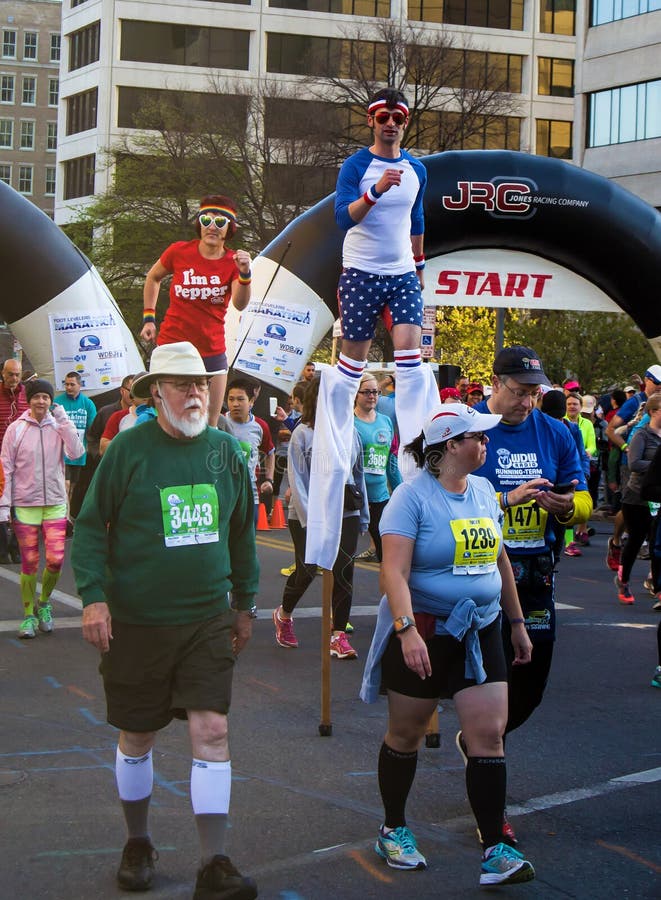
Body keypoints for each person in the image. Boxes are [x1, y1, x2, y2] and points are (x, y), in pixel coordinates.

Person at [71, 341, 259, 899]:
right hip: (138, 622)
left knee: (213, 729)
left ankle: (214, 862)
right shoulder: (128, 450)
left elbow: (243, 535)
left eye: (201, 383)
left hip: (206, 618)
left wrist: (245, 605)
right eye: (182, 384)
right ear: (158, 393)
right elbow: (89, 527)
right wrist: (93, 596)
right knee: (138, 735)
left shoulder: (227, 452)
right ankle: (138, 840)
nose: (195, 393)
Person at [360, 404, 534, 887]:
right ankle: (393, 826)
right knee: (406, 734)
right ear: (450, 445)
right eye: (477, 437)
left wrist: (516, 621)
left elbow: (499, 560)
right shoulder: (409, 499)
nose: (486, 443)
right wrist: (405, 628)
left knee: (489, 735)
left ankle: (496, 848)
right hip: (426, 632)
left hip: (483, 629)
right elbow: (392, 571)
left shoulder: (482, 491)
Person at [307, 88, 437, 570]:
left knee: (411, 358)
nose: (390, 125)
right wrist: (376, 190)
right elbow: (343, 218)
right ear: (371, 122)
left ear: (405, 124)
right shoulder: (355, 166)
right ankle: (339, 447)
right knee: (351, 365)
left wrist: (420, 266)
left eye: (398, 119)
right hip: (360, 273)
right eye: (383, 118)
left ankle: (420, 449)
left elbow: (418, 218)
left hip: (402, 272)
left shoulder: (418, 170)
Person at [472, 346, 591, 842]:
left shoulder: (556, 430)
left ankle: (483, 741)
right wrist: (506, 499)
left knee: (530, 687)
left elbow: (582, 496)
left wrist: (567, 506)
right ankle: (490, 802)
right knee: (492, 695)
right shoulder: (469, 427)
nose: (527, 401)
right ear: (495, 383)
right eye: (519, 392)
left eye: (533, 392)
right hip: (479, 576)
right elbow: (447, 494)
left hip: (537, 575)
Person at [272, 376, 368, 657]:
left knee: (343, 569)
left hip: (345, 510)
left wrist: (363, 515)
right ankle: (284, 614)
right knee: (308, 569)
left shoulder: (350, 432)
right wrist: (312, 521)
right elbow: (297, 480)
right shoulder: (303, 433)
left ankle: (338, 635)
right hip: (308, 514)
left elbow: (357, 475)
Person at [140, 194, 253, 427]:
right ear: (199, 224)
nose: (212, 227)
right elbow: (153, 277)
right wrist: (149, 318)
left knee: (209, 422)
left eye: (220, 222)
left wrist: (245, 273)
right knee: (168, 418)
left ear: (229, 229)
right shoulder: (179, 251)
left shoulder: (233, 261)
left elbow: (240, 304)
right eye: (206, 220)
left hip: (210, 349)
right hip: (173, 344)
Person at [0, 378, 84, 638]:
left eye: (46, 397)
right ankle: (28, 616)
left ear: (51, 401)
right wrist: (4, 507)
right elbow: (6, 469)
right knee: (30, 562)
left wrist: (64, 421)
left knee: (56, 560)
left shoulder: (59, 426)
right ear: (30, 399)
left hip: (56, 503)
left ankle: (44, 603)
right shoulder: (16, 429)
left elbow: (76, 452)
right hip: (26, 505)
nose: (41, 401)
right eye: (36, 396)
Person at [605, 365, 661, 572]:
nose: (659, 387)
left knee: (651, 507)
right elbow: (611, 429)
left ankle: (648, 544)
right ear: (646, 380)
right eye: (656, 382)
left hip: (654, 459)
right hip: (632, 460)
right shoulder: (634, 403)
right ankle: (617, 540)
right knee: (631, 505)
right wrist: (627, 447)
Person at [613, 393, 661, 604]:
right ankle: (623, 580)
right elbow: (633, 463)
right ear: (652, 412)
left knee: (656, 542)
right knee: (635, 540)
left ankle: (657, 585)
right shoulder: (642, 434)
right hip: (636, 495)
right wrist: (658, 466)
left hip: (658, 495)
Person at [353, 372, 401, 562]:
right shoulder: (349, 422)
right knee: (345, 554)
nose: (372, 396)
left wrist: (400, 491)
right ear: (356, 394)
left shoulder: (385, 421)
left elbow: (391, 460)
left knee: (387, 555)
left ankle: (386, 592)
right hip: (354, 497)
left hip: (380, 496)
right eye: (367, 392)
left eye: (376, 392)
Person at [225, 376, 275, 522]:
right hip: (224, 495)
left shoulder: (260, 426)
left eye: (240, 399)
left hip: (250, 496)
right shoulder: (218, 422)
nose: (235, 404)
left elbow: (270, 453)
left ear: (252, 402)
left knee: (247, 543)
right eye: (231, 399)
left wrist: (269, 480)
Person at [54, 371, 97, 527]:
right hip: (61, 452)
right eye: (66, 384)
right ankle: (64, 519)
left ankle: (68, 515)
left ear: (80, 385)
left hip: (79, 453)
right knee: (64, 485)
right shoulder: (58, 402)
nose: (69, 387)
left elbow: (92, 428)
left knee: (71, 487)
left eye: (72, 384)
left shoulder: (87, 404)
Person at [0, 358, 28, 563]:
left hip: (22, 459)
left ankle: (15, 547)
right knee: (1, 504)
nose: (14, 378)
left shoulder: (28, 395)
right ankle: (2, 550)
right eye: (10, 374)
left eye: (17, 374)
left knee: (21, 504)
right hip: (0, 459)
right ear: (3, 373)